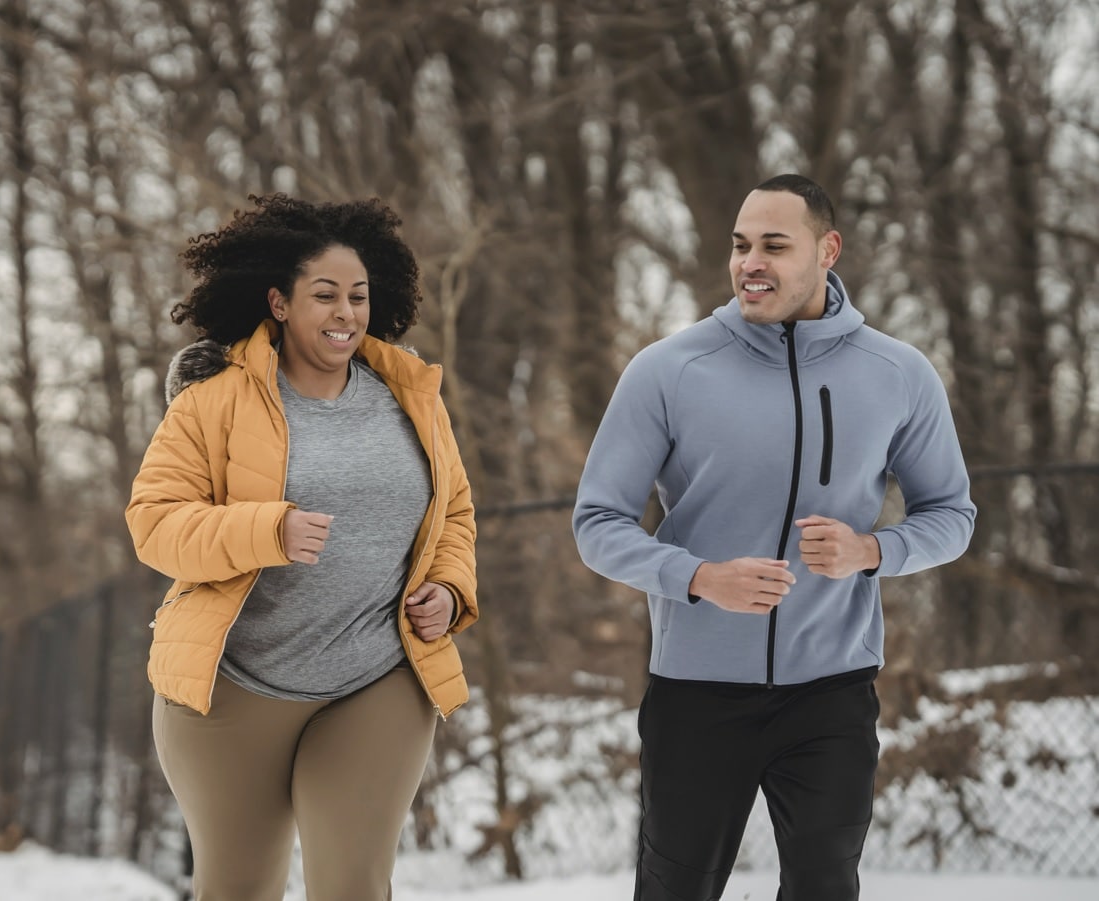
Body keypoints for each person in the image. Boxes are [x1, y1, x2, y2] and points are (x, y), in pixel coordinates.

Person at [572, 174, 975, 901]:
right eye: (740, 244)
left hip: (830, 691)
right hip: (696, 693)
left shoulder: (897, 374)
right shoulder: (668, 370)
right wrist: (698, 577)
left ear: (827, 250)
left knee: (825, 886)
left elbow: (951, 514)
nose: (748, 262)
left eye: (772, 245)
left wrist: (871, 551)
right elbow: (596, 524)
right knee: (672, 888)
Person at [126, 194, 478, 901]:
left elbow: (455, 513)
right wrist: (267, 530)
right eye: (325, 295)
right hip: (234, 688)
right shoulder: (212, 400)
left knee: (350, 885)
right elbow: (155, 523)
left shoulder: (410, 395)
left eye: (357, 295)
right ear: (279, 303)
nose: (345, 312)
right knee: (239, 887)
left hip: (374, 676)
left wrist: (448, 589)